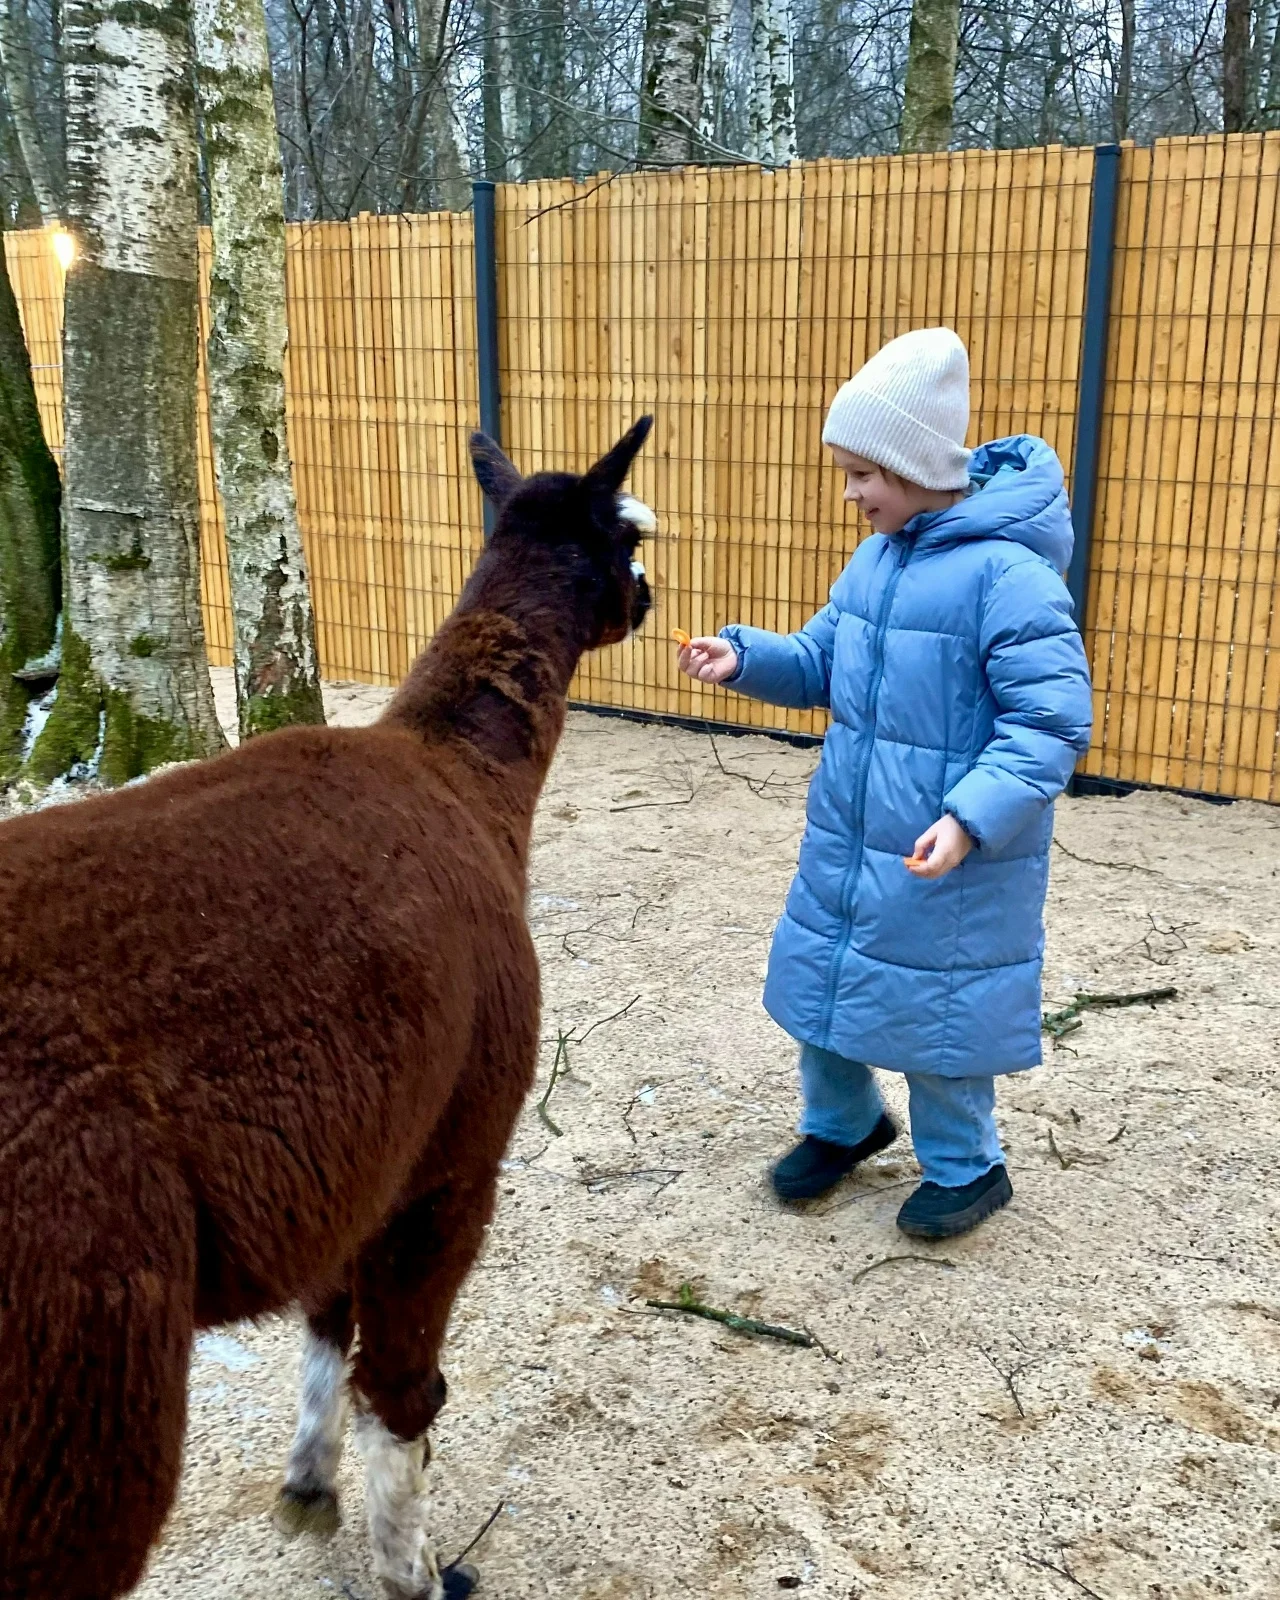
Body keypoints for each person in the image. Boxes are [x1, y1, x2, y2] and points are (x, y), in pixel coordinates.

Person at [678, 327, 1093, 1239]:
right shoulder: (877, 558)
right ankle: (845, 1124)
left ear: (914, 465)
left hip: (948, 853)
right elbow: (824, 659)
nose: (849, 491)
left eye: (864, 472)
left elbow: (1050, 723)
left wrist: (970, 820)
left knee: (941, 1014)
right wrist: (746, 657)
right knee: (821, 985)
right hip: (850, 829)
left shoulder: (1009, 577)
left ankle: (967, 1166)